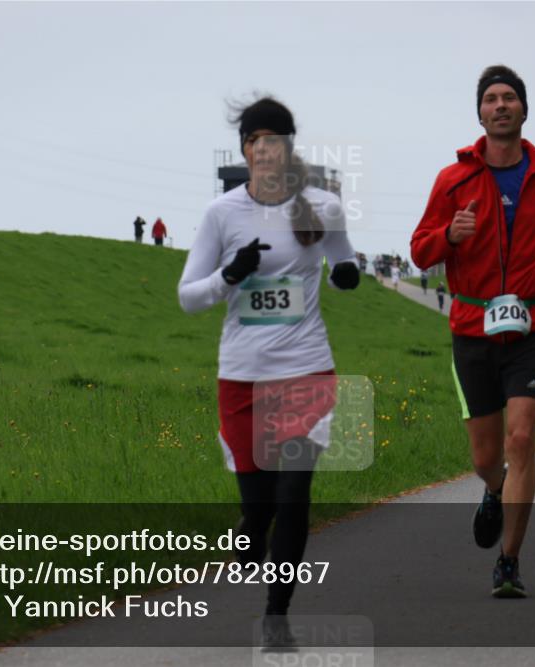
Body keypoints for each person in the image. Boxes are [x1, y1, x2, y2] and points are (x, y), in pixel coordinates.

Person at [177, 97, 359, 649]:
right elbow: (188, 298)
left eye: (274, 140)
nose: (265, 149)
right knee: (257, 512)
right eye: (255, 141)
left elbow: (342, 261)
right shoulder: (222, 214)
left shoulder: (322, 206)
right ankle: (250, 538)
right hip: (242, 377)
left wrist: (344, 277)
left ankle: (277, 617)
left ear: (287, 148)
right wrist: (229, 275)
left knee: (294, 496)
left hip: (305, 367)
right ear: (246, 150)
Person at [410, 65, 535, 598]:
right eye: (491, 99)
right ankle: (493, 489)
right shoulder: (453, 179)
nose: (501, 105)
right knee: (487, 456)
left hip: (533, 325)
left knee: (522, 439)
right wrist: (449, 233)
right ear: (480, 113)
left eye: (509, 97)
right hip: (473, 326)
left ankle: (508, 562)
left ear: (523, 110)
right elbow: (421, 249)